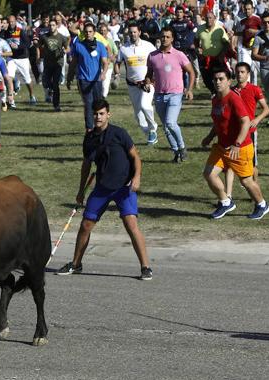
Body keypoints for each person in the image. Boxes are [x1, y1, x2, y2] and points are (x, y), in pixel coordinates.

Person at [55, 99, 152, 280]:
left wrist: (137, 177)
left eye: (101, 113)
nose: (98, 117)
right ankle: (76, 264)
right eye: (95, 114)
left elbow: (136, 157)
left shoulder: (119, 133)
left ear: (108, 114)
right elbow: (86, 165)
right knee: (86, 225)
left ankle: (146, 267)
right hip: (102, 188)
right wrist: (81, 190)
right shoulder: (89, 139)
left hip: (124, 188)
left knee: (131, 224)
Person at [201, 67, 269, 220]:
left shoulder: (233, 98)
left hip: (240, 147)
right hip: (221, 146)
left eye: (221, 79)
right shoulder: (215, 99)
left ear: (228, 81)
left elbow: (245, 122)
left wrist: (237, 144)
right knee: (209, 173)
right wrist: (209, 136)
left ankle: (262, 205)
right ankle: (225, 202)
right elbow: (218, 122)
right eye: (215, 79)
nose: (217, 82)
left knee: (246, 181)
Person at [145, 26, 196, 163]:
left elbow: (191, 72)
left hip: (175, 94)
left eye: (168, 36)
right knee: (166, 127)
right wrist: (147, 82)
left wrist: (189, 89)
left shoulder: (179, 55)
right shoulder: (152, 56)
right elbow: (149, 74)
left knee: (170, 123)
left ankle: (182, 147)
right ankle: (176, 152)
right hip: (159, 95)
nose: (165, 39)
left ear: (172, 38)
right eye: (163, 36)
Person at [225, 62, 269, 197]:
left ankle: (254, 187)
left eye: (242, 72)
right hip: (233, 133)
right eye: (237, 72)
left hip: (249, 133)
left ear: (248, 74)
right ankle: (228, 196)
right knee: (229, 163)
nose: (239, 74)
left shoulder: (255, 89)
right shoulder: (231, 91)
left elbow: (266, 109)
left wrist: (256, 119)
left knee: (252, 166)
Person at [115, 23, 158, 145]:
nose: (132, 34)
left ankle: (153, 128)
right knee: (139, 116)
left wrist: (154, 77)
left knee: (145, 105)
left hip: (147, 83)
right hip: (132, 85)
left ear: (139, 32)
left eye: (135, 32)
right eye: (130, 32)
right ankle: (150, 134)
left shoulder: (148, 46)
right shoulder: (124, 48)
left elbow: (156, 60)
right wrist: (117, 76)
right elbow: (117, 63)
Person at [67, 23, 108, 132]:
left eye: (90, 31)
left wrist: (103, 73)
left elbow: (105, 62)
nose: (88, 34)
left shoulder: (100, 45)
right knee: (88, 104)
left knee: (98, 104)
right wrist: (69, 77)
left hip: (97, 81)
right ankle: (89, 128)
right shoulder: (78, 45)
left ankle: (100, 127)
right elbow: (73, 62)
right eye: (86, 32)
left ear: (94, 33)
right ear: (83, 33)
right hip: (83, 79)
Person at [2, 15, 37, 107]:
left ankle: (32, 95)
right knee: (8, 77)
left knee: (27, 79)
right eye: (9, 22)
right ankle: (11, 100)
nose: (11, 23)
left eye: (13, 21)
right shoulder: (5, 33)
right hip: (12, 58)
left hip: (22, 58)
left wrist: (18, 47)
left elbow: (27, 43)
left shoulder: (20, 31)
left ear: (15, 22)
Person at [195, 11, 231, 95]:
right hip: (205, 58)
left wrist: (222, 55)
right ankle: (214, 92)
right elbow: (196, 40)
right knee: (206, 79)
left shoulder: (219, 29)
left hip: (218, 58)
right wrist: (198, 48)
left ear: (214, 19)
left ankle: (221, 94)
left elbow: (226, 43)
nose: (208, 20)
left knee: (220, 77)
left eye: (210, 18)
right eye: (207, 18)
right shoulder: (200, 28)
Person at [40, 19, 66, 112]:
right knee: (45, 82)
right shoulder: (44, 37)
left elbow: (68, 48)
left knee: (56, 84)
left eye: (53, 25)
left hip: (58, 63)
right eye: (50, 25)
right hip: (47, 63)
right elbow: (39, 46)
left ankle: (56, 105)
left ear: (56, 26)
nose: (51, 27)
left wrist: (65, 51)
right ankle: (50, 89)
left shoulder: (62, 37)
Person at [235, 1, 262, 85]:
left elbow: (265, 32)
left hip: (257, 50)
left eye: (249, 9)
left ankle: (256, 87)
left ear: (253, 9)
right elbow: (240, 33)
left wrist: (255, 31)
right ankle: (247, 90)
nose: (247, 11)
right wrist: (234, 34)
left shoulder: (257, 19)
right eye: (246, 9)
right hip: (245, 49)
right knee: (246, 70)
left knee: (260, 70)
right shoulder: (241, 21)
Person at [252, 11, 269, 97]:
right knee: (268, 92)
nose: (267, 24)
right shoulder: (258, 36)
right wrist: (265, 58)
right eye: (265, 22)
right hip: (265, 68)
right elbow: (253, 55)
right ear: (262, 23)